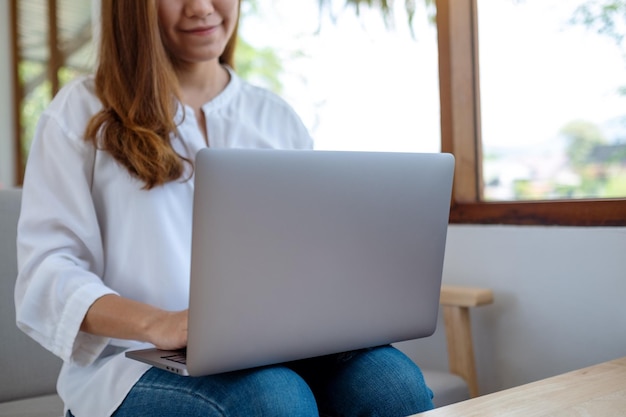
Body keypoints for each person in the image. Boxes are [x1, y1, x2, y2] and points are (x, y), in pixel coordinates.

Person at [14, 1, 435, 416]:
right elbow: (47, 273)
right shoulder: (80, 113)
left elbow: (308, 254)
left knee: (392, 385)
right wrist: (159, 323)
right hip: (130, 365)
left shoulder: (274, 118)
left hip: (273, 348)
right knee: (272, 398)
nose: (201, 8)